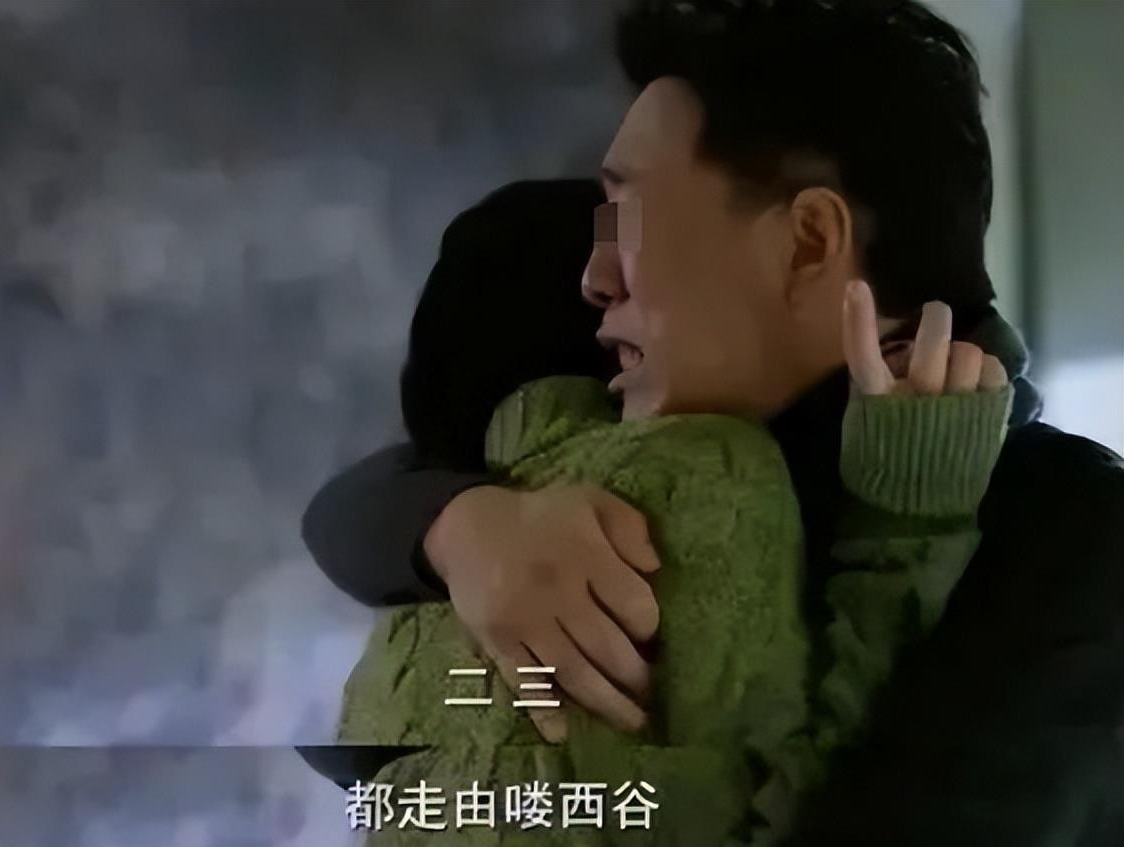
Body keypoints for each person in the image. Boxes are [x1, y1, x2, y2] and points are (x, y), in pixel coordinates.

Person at [304, 1, 1124, 843]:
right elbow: (358, 499)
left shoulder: (1066, 532)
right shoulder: (643, 398)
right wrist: (465, 530)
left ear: (810, 241)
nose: (594, 277)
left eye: (627, 212)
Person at [332, 181, 1014, 845]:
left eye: (643, 239)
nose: (602, 282)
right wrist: (907, 526)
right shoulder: (705, 466)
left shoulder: (395, 630)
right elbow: (795, 805)